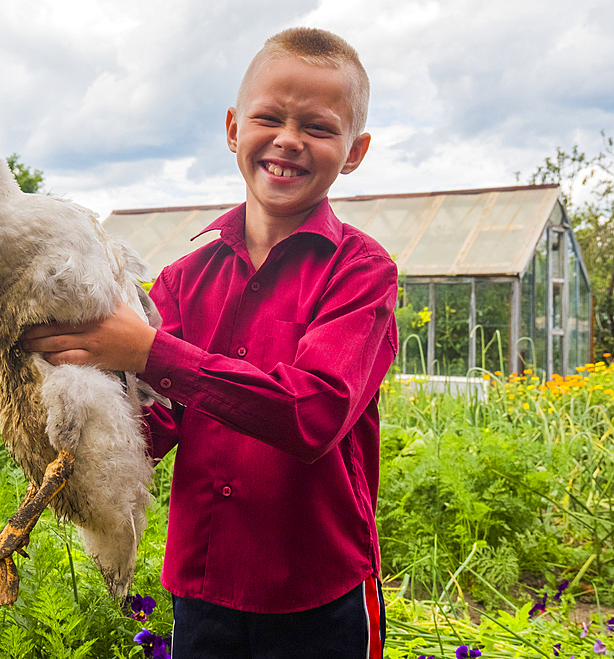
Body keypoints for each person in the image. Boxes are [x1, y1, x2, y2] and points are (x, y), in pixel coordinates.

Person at [22, 27, 398, 659]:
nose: (288, 140)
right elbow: (153, 425)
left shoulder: (361, 272)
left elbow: (313, 414)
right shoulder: (181, 282)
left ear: (355, 150)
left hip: (320, 594)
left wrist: (147, 353)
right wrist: (61, 384)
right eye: (269, 117)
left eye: (319, 127)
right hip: (203, 588)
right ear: (232, 128)